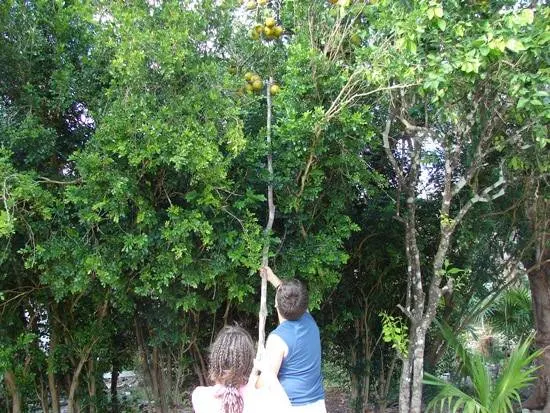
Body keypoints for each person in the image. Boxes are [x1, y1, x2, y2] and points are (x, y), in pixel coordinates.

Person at [259, 266, 326, 413]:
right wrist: (272, 278)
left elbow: (265, 382)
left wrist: (251, 384)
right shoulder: (309, 320)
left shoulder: (278, 339)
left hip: (291, 406)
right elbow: (295, 299)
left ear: (276, 304)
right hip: (318, 405)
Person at [192, 325, 291, 413]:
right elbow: (288, 408)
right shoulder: (262, 399)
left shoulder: (200, 397)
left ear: (215, 362)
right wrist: (268, 372)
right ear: (249, 364)